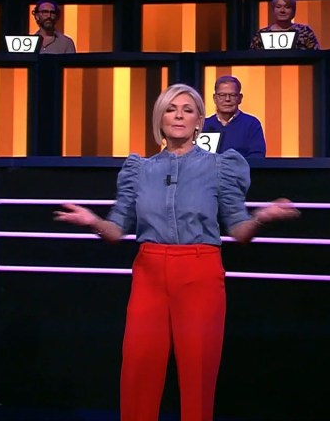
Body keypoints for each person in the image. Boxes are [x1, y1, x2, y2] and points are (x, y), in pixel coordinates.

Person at [54, 83, 300, 421]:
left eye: (187, 110)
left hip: (200, 273)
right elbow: (115, 230)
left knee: (197, 375)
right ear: (160, 119)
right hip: (149, 274)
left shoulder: (220, 167)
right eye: (171, 109)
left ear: (199, 120)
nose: (179, 116)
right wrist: (92, 221)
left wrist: (262, 217)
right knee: (138, 370)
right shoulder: (139, 170)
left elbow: (239, 230)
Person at [202, 76, 267, 158]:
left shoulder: (251, 124)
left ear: (240, 98)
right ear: (215, 98)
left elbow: (257, 156)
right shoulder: (203, 125)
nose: (227, 99)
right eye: (222, 95)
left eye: (232, 95)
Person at [249, 0, 320, 50]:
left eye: (287, 7)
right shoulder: (260, 34)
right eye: (278, 7)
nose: (282, 10)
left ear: (294, 11)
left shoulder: (305, 32)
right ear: (273, 11)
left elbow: (316, 55)